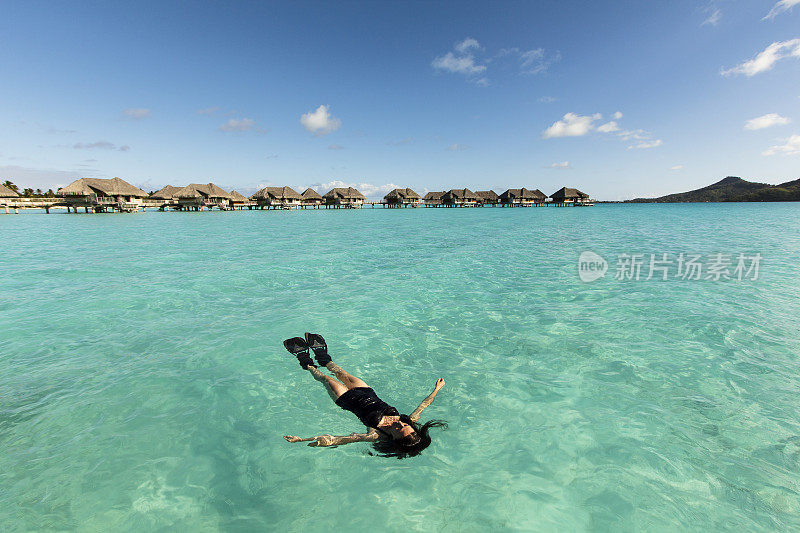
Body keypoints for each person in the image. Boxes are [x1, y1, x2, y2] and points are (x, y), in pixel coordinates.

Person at [282, 333, 447, 458]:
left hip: (346, 399)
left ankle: (306, 362)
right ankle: (323, 358)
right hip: (366, 391)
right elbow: (424, 405)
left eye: (399, 430)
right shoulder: (408, 421)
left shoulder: (375, 434)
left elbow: (343, 439)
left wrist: (302, 440)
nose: (401, 425)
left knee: (326, 378)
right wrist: (437, 389)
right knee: (340, 372)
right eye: (407, 428)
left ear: (395, 439)